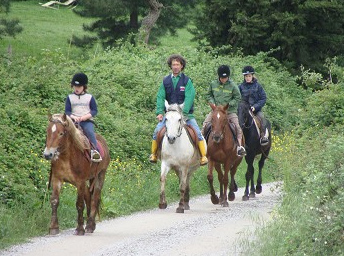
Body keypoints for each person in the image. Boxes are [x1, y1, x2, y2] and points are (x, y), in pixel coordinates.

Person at [149, 54, 208, 166]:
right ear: (170, 66)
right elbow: (160, 96)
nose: (175, 66)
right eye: (173, 64)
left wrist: (185, 113)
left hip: (186, 115)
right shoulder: (165, 81)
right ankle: (154, 154)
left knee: (198, 133)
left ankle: (202, 156)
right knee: (157, 132)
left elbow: (190, 97)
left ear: (182, 66)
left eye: (177, 64)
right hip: (170, 115)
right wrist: (160, 112)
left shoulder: (187, 81)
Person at [202, 65, 246, 157]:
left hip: (229, 111)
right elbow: (208, 95)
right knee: (205, 125)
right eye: (222, 78)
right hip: (216, 111)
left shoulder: (233, 86)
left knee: (237, 127)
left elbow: (238, 97)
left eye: (225, 78)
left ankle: (239, 147)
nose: (224, 79)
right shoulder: (213, 84)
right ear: (219, 76)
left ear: (228, 76)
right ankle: (202, 147)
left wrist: (229, 104)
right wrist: (212, 103)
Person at [65, 72, 102, 162]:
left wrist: (85, 117)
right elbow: (67, 111)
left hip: (86, 121)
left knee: (89, 132)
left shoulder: (89, 97)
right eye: (75, 86)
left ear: (84, 87)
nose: (76, 89)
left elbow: (94, 110)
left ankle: (94, 152)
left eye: (79, 87)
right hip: (73, 121)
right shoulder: (70, 97)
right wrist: (73, 116)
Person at [239, 66, 269, 145]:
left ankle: (263, 137)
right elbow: (237, 99)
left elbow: (263, 98)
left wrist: (255, 107)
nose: (248, 78)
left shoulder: (258, 86)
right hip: (244, 111)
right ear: (244, 77)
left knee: (262, 118)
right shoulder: (240, 87)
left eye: (249, 76)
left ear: (252, 76)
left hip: (255, 110)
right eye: (246, 76)